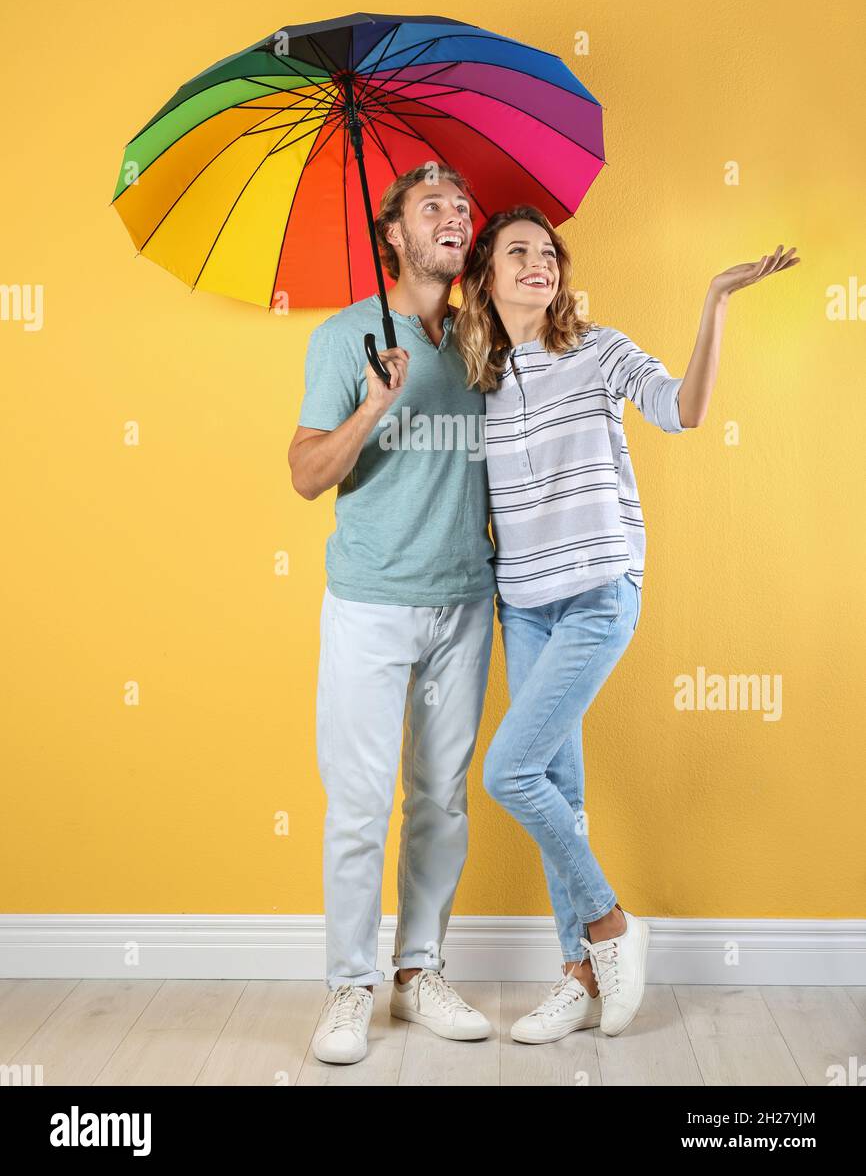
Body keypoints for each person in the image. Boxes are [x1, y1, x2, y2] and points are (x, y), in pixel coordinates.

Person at [453, 205, 799, 1042]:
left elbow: (682, 412)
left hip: (600, 593)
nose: (539, 263)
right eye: (519, 253)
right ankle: (577, 973)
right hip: (523, 604)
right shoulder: (481, 384)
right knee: (558, 790)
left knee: (507, 772)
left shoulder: (598, 349)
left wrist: (715, 300)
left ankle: (608, 926)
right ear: (486, 279)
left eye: (547, 253)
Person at [288, 164, 497, 1065]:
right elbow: (304, 475)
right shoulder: (345, 340)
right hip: (370, 602)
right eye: (432, 205)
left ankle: (419, 974)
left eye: (461, 205)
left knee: (441, 800)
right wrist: (376, 403)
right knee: (360, 804)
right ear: (395, 236)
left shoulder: (490, 341)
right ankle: (348, 986)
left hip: (467, 599)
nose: (454, 215)